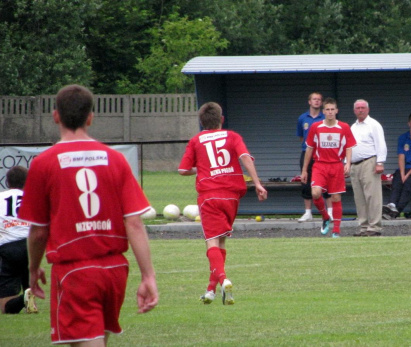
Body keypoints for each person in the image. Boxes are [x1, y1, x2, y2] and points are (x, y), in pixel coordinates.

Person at [18, 84, 159, 346]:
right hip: (115, 269)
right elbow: (135, 223)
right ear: (91, 117)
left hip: (76, 271)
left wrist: (33, 267)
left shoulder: (44, 163)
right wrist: (148, 276)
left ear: (55, 116)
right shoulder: (115, 159)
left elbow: (38, 231)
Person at [179, 102, 267, 305]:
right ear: (221, 119)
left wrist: (201, 168)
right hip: (232, 195)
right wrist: (257, 184)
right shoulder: (232, 136)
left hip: (210, 195)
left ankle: (223, 279)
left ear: (201, 122)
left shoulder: (195, 141)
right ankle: (211, 290)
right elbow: (245, 157)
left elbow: (182, 170)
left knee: (211, 241)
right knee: (221, 241)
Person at [301, 98, 356, 238]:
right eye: (328, 109)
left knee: (336, 197)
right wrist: (304, 170)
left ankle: (336, 230)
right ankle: (325, 217)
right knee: (315, 193)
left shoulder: (344, 127)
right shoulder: (316, 127)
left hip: (336, 165)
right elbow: (309, 149)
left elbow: (349, 147)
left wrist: (348, 163)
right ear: (323, 111)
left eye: (333, 109)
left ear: (336, 111)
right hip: (320, 165)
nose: (330, 112)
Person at [0, 166, 37, 314]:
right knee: (28, 281)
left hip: (9, 248)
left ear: (8, 182)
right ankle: (29, 298)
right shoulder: (34, 197)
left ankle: (23, 299)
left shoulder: (1, 198)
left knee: (5, 307)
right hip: (31, 246)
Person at [350, 99, 387, 237]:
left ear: (368, 109)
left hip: (369, 162)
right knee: (359, 198)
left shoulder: (373, 125)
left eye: (363, 108)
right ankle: (363, 227)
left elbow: (380, 144)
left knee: (372, 196)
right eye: (358, 108)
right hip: (355, 165)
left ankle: (374, 227)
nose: (360, 110)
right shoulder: (352, 127)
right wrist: (346, 164)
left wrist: (380, 162)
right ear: (354, 111)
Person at [296, 92, 332, 222]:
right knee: (306, 181)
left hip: (323, 153)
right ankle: (308, 212)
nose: (316, 101)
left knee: (327, 181)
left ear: (322, 103)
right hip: (307, 153)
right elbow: (301, 137)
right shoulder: (302, 118)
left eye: (319, 99)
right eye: (314, 99)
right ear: (309, 102)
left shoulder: (325, 117)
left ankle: (330, 212)